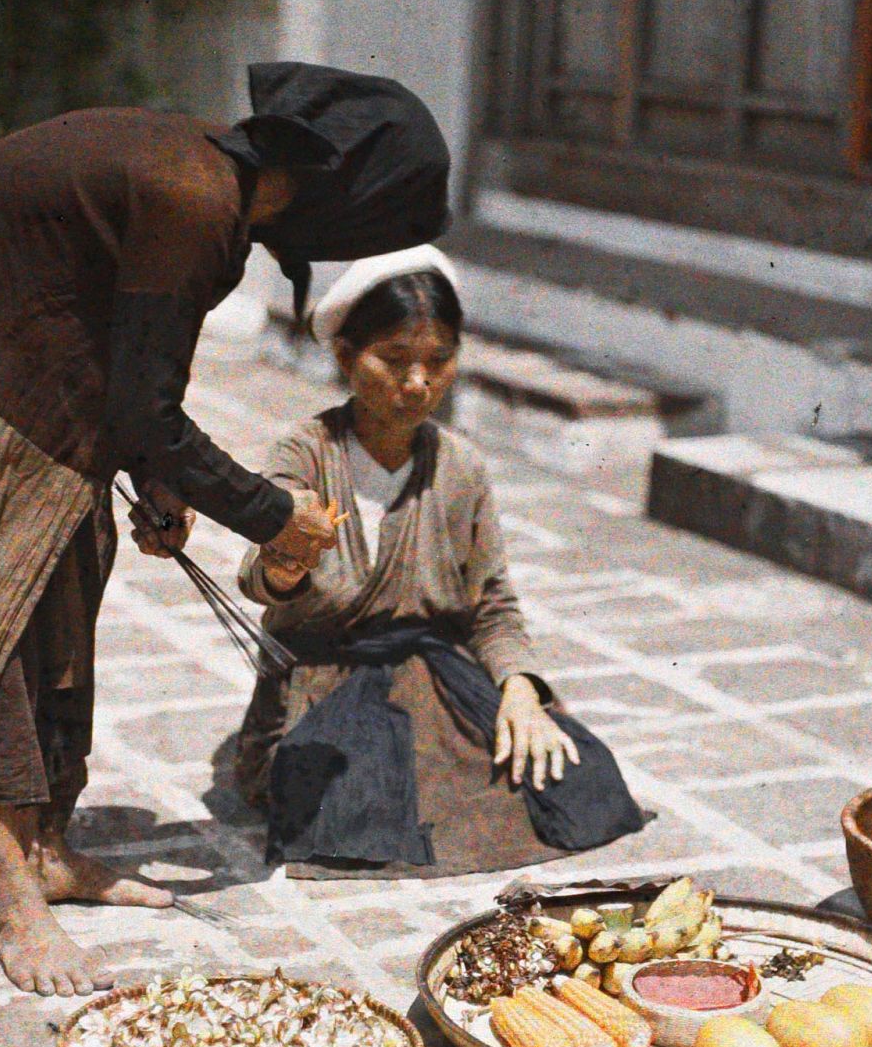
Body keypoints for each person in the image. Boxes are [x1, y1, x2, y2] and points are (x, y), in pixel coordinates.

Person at [0, 63, 452, 995]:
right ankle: (9, 893)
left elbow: (134, 369)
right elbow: (146, 410)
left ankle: (48, 844)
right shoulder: (192, 201)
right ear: (340, 196)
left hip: (35, 323)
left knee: (69, 552)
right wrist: (273, 516)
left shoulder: (215, 207)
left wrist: (159, 482)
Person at [231, 246, 645, 879]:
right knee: (350, 801)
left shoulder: (460, 467)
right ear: (346, 357)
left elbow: (493, 605)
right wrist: (288, 561)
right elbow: (260, 576)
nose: (419, 382)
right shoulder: (306, 453)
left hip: (435, 674)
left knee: (578, 780)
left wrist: (522, 692)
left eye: (439, 360)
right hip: (324, 680)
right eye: (394, 360)